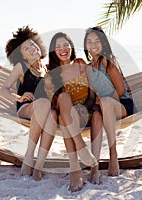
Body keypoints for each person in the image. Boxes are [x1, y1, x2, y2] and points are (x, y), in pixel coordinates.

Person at [44, 32, 102, 192]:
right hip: (67, 115)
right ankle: (76, 164)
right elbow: (53, 102)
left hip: (86, 111)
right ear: (53, 51)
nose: (63, 49)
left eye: (65, 45)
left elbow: (92, 90)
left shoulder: (81, 64)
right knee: (63, 101)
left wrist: (87, 107)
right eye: (58, 47)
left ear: (71, 47)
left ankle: (94, 166)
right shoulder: (52, 74)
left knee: (97, 115)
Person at [0, 26, 57, 181]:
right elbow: (4, 89)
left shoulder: (46, 69)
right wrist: (19, 97)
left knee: (52, 115)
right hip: (26, 109)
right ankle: (29, 155)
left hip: (44, 111)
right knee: (44, 103)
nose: (32, 48)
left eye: (32, 44)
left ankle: (39, 165)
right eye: (26, 48)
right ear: (22, 56)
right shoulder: (21, 67)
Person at [83, 26, 135, 178]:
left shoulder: (108, 61)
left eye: (97, 41)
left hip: (122, 105)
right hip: (104, 106)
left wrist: (104, 103)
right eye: (89, 42)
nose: (93, 45)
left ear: (104, 43)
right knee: (96, 116)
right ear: (85, 46)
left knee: (105, 102)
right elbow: (92, 96)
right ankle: (94, 165)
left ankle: (113, 155)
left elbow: (120, 91)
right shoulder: (88, 68)